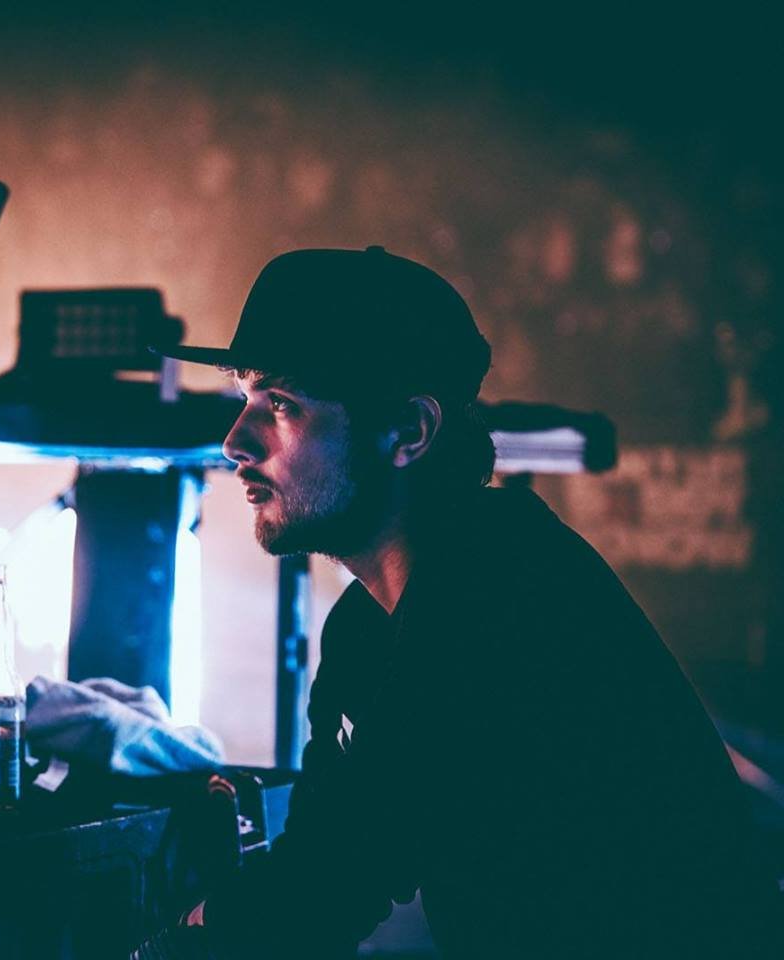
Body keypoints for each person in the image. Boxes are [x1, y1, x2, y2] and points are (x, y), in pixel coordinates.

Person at [137, 246, 780, 958]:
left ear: (409, 432)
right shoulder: (365, 628)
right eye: (245, 400)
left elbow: (336, 874)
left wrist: (179, 935)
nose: (236, 442)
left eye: (282, 405)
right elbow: (326, 851)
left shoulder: (503, 594)